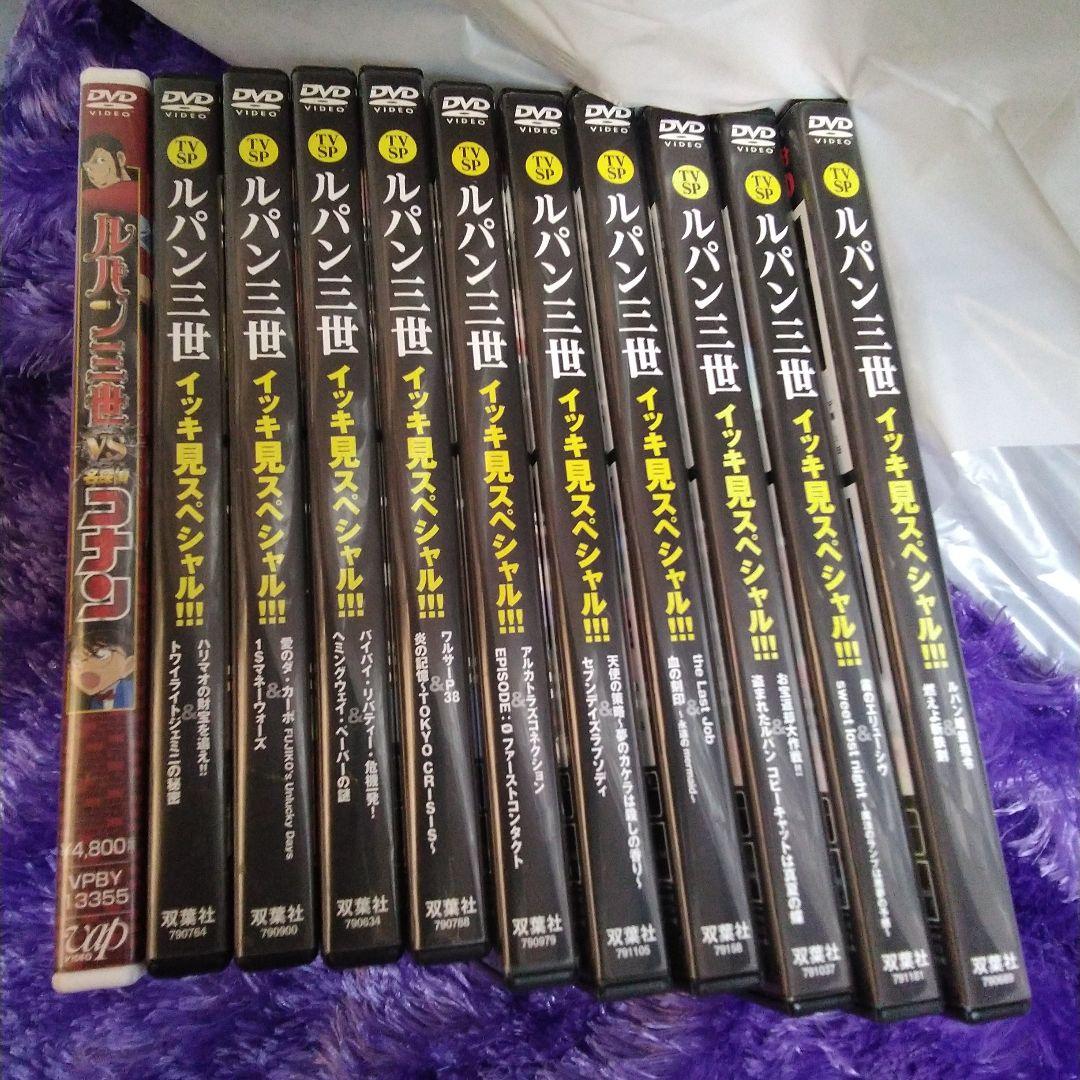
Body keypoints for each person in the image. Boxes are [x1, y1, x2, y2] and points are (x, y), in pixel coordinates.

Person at [68, 623, 136, 711]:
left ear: (129, 666)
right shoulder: (92, 702)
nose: (86, 667)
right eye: (77, 660)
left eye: (101, 655)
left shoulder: (132, 692)